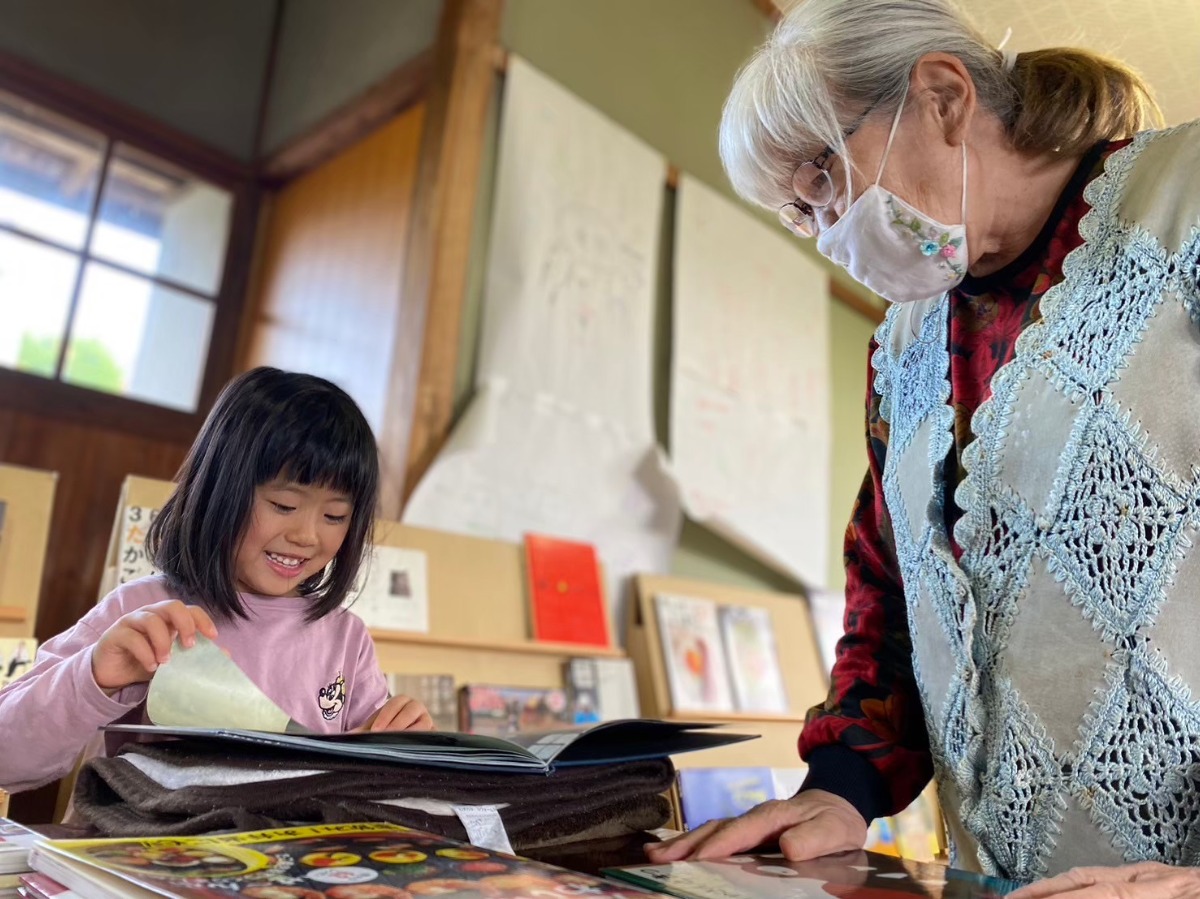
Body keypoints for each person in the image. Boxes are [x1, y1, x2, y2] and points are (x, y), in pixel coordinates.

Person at [648, 0, 1200, 892]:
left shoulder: (1185, 203)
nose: (828, 229)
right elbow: (889, 590)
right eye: (800, 214)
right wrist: (840, 789)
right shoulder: (900, 352)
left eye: (823, 177)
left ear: (943, 98)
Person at [0, 367, 433, 794]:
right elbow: (8, 759)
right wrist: (94, 676)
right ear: (219, 489)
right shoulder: (141, 611)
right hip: (153, 838)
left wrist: (403, 746)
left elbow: (368, 784)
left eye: (334, 516)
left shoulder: (345, 639)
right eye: (284, 505)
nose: (307, 535)